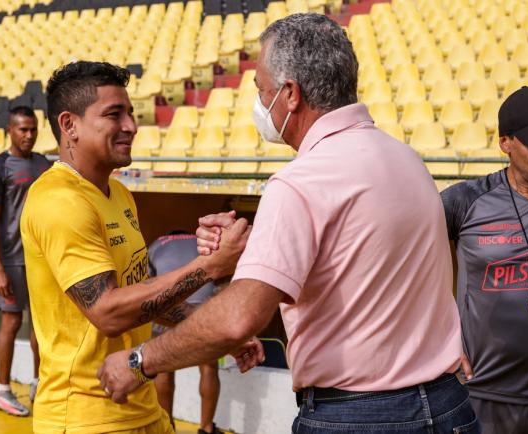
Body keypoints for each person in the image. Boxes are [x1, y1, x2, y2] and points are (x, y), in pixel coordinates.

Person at [98, 13, 479, 434]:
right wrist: (254, 248)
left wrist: (140, 361)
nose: (260, 102)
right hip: (447, 404)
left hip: (357, 415)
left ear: (291, 94)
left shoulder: (300, 183)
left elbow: (238, 318)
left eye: (262, 90)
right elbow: (359, 261)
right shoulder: (407, 160)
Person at [20, 61, 250, 434]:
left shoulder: (119, 194)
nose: (131, 125)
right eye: (114, 114)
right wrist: (209, 266)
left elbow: (141, 296)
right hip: (86, 419)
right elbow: (108, 312)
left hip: (141, 408)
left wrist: (220, 332)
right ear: (69, 125)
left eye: (130, 113)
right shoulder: (59, 200)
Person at [441, 86, 528, 434]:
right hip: (482, 398)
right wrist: (437, 340)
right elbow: (404, 268)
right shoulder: (464, 201)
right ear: (505, 143)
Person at [0, 105, 50, 416]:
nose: (29, 135)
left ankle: (39, 383)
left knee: (41, 324)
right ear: (9, 130)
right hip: (11, 262)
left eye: (33, 129)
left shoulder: (43, 164)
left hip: (41, 260)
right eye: (23, 129)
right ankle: (3, 391)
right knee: (12, 322)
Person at [148, 232, 225, 434]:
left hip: (169, 309)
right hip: (201, 311)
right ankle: (207, 428)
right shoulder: (202, 242)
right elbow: (219, 277)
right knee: (209, 367)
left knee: (163, 368)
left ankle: (168, 426)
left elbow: (148, 287)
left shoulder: (156, 245)